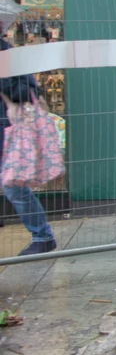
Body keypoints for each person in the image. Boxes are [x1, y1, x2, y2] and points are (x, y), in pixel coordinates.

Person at [0, 17, 57, 255]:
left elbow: (27, 88)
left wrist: (5, 89)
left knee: (14, 186)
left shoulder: (7, 53)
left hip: (8, 129)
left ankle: (42, 236)